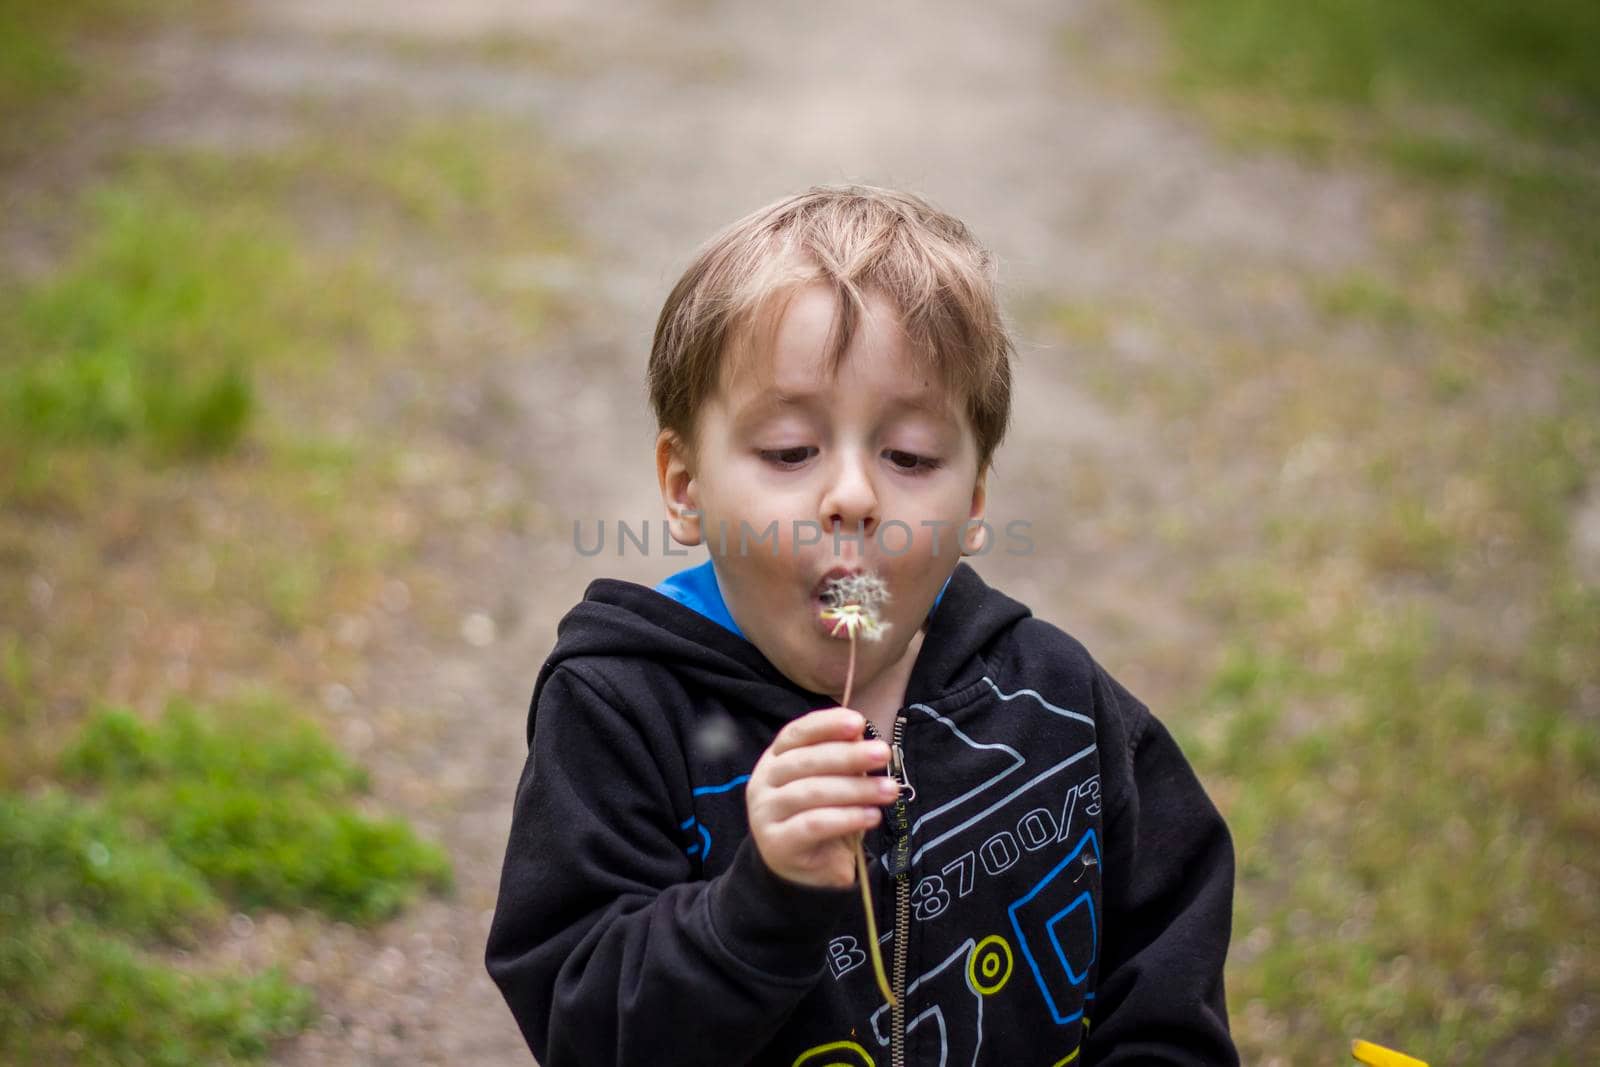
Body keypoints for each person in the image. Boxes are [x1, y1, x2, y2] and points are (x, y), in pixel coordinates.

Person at [486, 185, 1238, 1065]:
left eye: (911, 457)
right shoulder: (619, 712)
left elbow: (1166, 978)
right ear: (685, 487)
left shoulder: (1059, 703)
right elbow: (583, 1025)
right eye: (790, 452)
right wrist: (755, 906)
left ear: (975, 503)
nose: (852, 496)